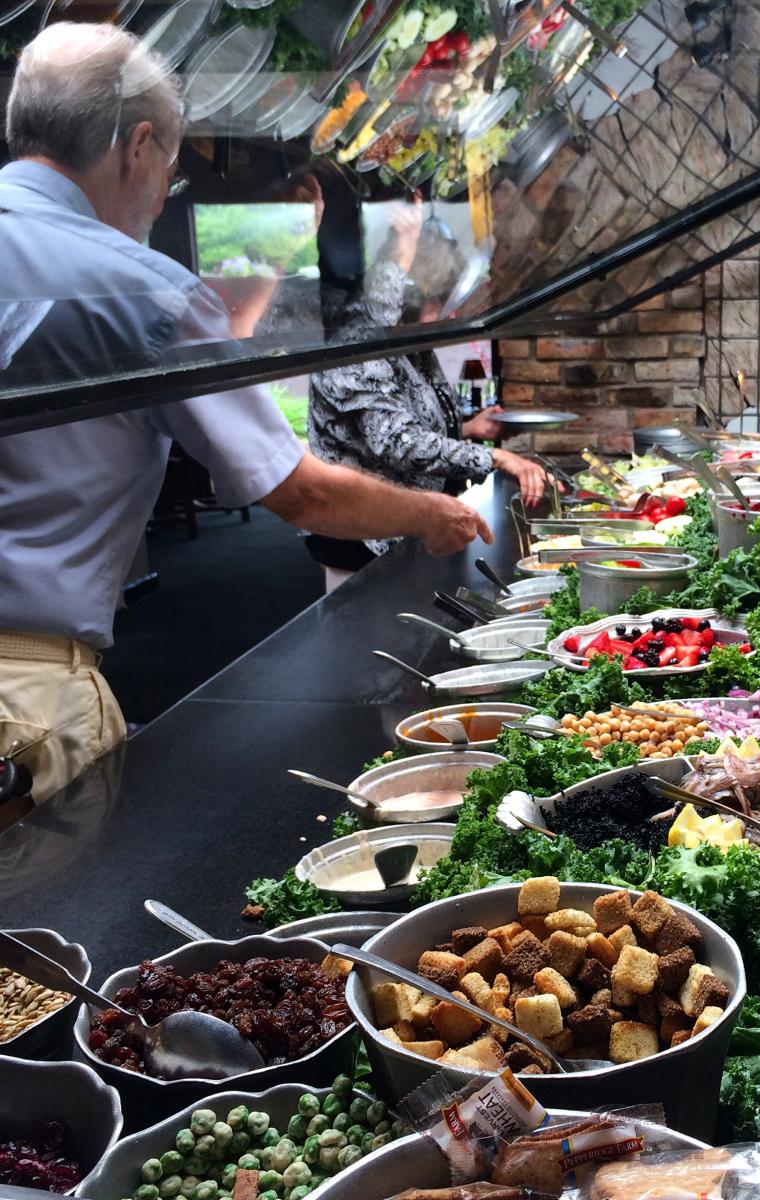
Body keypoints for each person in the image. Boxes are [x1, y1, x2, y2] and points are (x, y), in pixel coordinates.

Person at [0, 23, 493, 802]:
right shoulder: (139, 288)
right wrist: (432, 515)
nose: (164, 191)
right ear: (137, 146)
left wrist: (268, 259)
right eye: (168, 167)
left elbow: (195, 355)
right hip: (21, 696)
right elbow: (300, 492)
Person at [304, 198, 551, 590]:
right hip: (362, 538)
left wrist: (469, 429)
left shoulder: (407, 341)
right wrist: (496, 458)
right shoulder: (355, 346)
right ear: (412, 297)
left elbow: (411, 418)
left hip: (414, 526)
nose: (448, 313)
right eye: (440, 301)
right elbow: (399, 443)